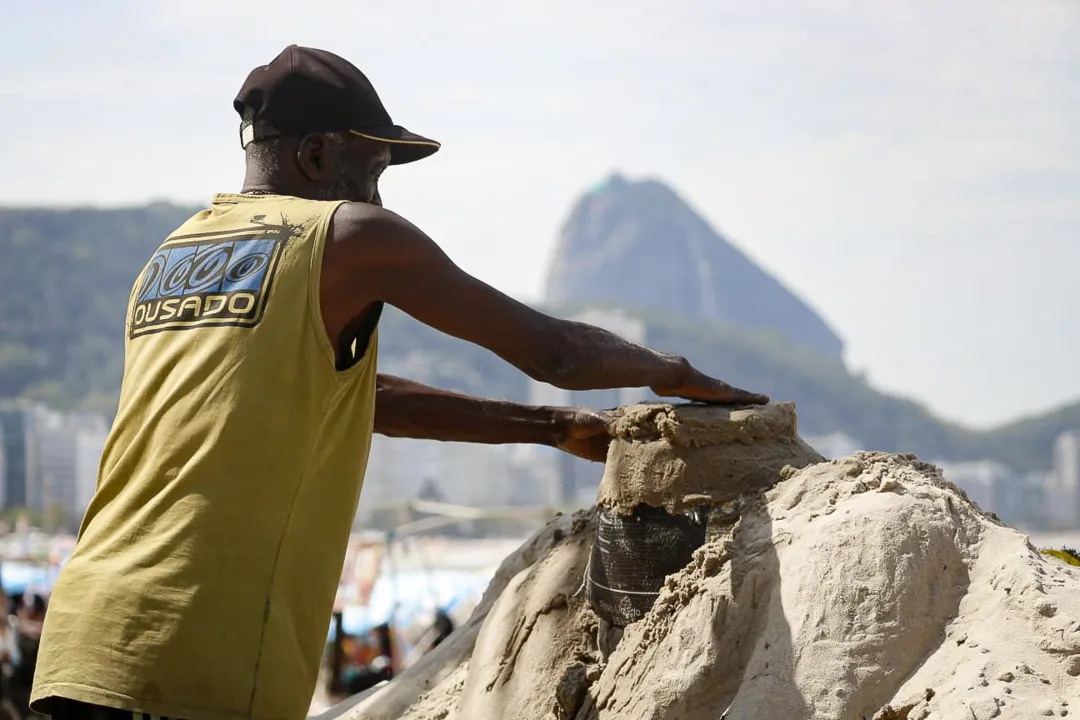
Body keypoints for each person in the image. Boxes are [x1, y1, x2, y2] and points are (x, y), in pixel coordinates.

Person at [31, 45, 768, 720]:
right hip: (190, 653)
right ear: (320, 155)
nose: (378, 197)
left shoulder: (172, 254)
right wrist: (673, 372)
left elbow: (359, 397)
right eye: (373, 170)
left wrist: (549, 429)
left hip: (82, 638)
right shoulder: (349, 235)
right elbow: (557, 354)